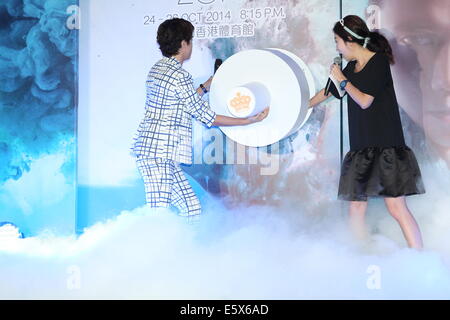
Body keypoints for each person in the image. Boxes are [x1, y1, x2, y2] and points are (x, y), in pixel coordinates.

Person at [131, 18, 269, 222]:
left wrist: (206, 85)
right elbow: (206, 117)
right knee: (158, 212)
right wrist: (248, 121)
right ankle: (148, 251)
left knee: (191, 208)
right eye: (191, 41)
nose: (191, 46)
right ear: (184, 43)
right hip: (159, 154)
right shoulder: (179, 76)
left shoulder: (158, 69)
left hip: (155, 152)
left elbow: (181, 102)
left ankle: (179, 251)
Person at [309, 15, 425, 249]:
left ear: (349, 40)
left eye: (337, 41)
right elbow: (328, 92)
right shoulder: (350, 68)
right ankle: (361, 256)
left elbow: (364, 101)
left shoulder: (378, 62)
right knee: (356, 208)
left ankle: (420, 258)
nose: (336, 47)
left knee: (396, 207)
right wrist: (300, 106)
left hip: (386, 148)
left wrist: (343, 81)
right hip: (361, 148)